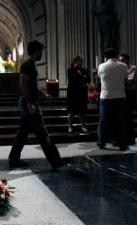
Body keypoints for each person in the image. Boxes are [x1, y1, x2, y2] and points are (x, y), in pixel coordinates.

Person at [8, 40, 72, 169]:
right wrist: (30, 103)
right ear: (37, 51)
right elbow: (23, 84)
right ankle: (55, 161)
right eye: (41, 51)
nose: (42, 54)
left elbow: (31, 85)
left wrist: (43, 94)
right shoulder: (27, 65)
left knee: (22, 132)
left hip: (30, 102)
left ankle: (13, 160)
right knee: (42, 133)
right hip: (29, 104)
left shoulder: (30, 64)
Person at [97, 48, 129, 150]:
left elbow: (99, 77)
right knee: (121, 121)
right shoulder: (123, 66)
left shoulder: (102, 66)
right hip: (120, 96)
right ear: (115, 55)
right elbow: (125, 79)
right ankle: (122, 144)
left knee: (103, 121)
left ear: (105, 57)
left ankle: (102, 143)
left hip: (106, 96)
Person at [67, 55, 91, 133]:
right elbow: (72, 78)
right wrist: (82, 78)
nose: (81, 63)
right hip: (73, 92)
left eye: (82, 61)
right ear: (76, 61)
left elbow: (88, 79)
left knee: (82, 110)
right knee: (72, 110)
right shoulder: (71, 70)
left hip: (82, 92)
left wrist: (81, 78)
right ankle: (70, 127)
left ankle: (83, 126)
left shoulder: (84, 70)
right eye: (80, 61)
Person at [119, 53, 137, 145]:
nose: (121, 62)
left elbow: (129, 82)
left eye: (123, 60)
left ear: (128, 60)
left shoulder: (132, 68)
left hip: (130, 93)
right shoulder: (120, 69)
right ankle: (123, 138)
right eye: (120, 60)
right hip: (122, 93)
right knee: (122, 117)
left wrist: (118, 80)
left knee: (128, 117)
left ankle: (130, 139)